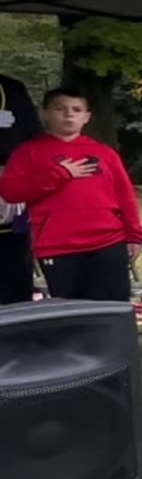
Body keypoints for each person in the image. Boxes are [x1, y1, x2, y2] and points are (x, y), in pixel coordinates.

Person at [0, 88, 142, 301]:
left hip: (107, 241)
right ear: (45, 113)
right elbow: (11, 192)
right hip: (58, 244)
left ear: (86, 117)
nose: (69, 115)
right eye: (60, 109)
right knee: (71, 308)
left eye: (76, 110)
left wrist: (134, 235)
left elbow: (125, 196)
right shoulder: (27, 152)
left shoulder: (105, 153)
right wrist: (58, 174)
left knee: (112, 306)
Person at [0, 69, 44, 304]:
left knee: (13, 272)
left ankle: (16, 336)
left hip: (9, 194)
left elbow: (34, 141)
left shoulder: (12, 90)